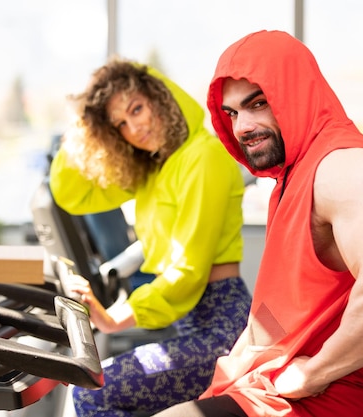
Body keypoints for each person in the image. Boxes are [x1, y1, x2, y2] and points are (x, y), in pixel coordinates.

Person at [153, 30, 363, 417]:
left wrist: (315, 372)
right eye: (232, 113)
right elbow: (281, 309)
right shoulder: (290, 180)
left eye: (258, 104)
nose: (242, 127)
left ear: (297, 94)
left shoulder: (344, 167)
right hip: (267, 389)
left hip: (313, 403)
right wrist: (237, 364)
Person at [49, 58, 252, 417]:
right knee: (92, 389)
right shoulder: (152, 172)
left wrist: (113, 319)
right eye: (120, 124)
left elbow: (187, 271)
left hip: (222, 328)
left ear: (160, 96)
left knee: (93, 392)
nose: (135, 127)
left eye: (137, 108)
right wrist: (86, 122)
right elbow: (70, 193)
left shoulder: (204, 156)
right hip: (190, 324)